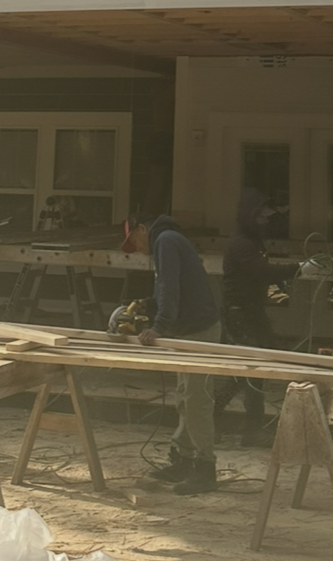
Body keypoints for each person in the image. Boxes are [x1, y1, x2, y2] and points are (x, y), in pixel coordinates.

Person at [123, 213, 221, 495]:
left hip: (199, 332)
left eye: (135, 241)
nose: (138, 248)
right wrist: (148, 304)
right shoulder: (168, 241)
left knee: (197, 401)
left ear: (143, 229)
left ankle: (205, 469)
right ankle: (182, 460)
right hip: (188, 331)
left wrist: (158, 326)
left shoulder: (165, 241)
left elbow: (169, 287)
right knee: (184, 398)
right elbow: (172, 288)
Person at [214, 188, 297, 445]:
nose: (264, 221)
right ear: (251, 215)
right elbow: (261, 271)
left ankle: (250, 428)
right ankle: (213, 418)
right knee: (247, 371)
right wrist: (297, 270)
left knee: (255, 371)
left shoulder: (251, 240)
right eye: (261, 216)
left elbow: (259, 272)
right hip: (240, 313)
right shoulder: (243, 243)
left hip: (250, 310)